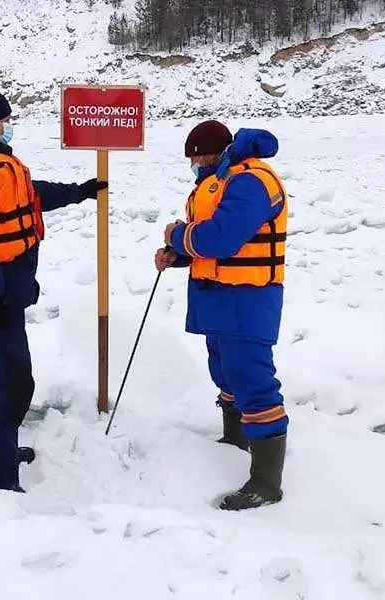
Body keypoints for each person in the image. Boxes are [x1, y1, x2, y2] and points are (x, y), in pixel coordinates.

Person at [0, 87, 106, 492]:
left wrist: (78, 192)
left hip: (0, 286)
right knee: (13, 381)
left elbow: (29, 196)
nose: (8, 126)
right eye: (4, 121)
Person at [156, 120, 289, 511]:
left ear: (209, 153)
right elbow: (214, 245)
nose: (193, 165)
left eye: (195, 158)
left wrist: (176, 235)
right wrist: (178, 256)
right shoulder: (222, 179)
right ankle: (235, 440)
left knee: (252, 379)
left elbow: (221, 238)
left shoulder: (251, 182)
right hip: (220, 298)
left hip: (247, 300)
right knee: (227, 374)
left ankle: (266, 482)